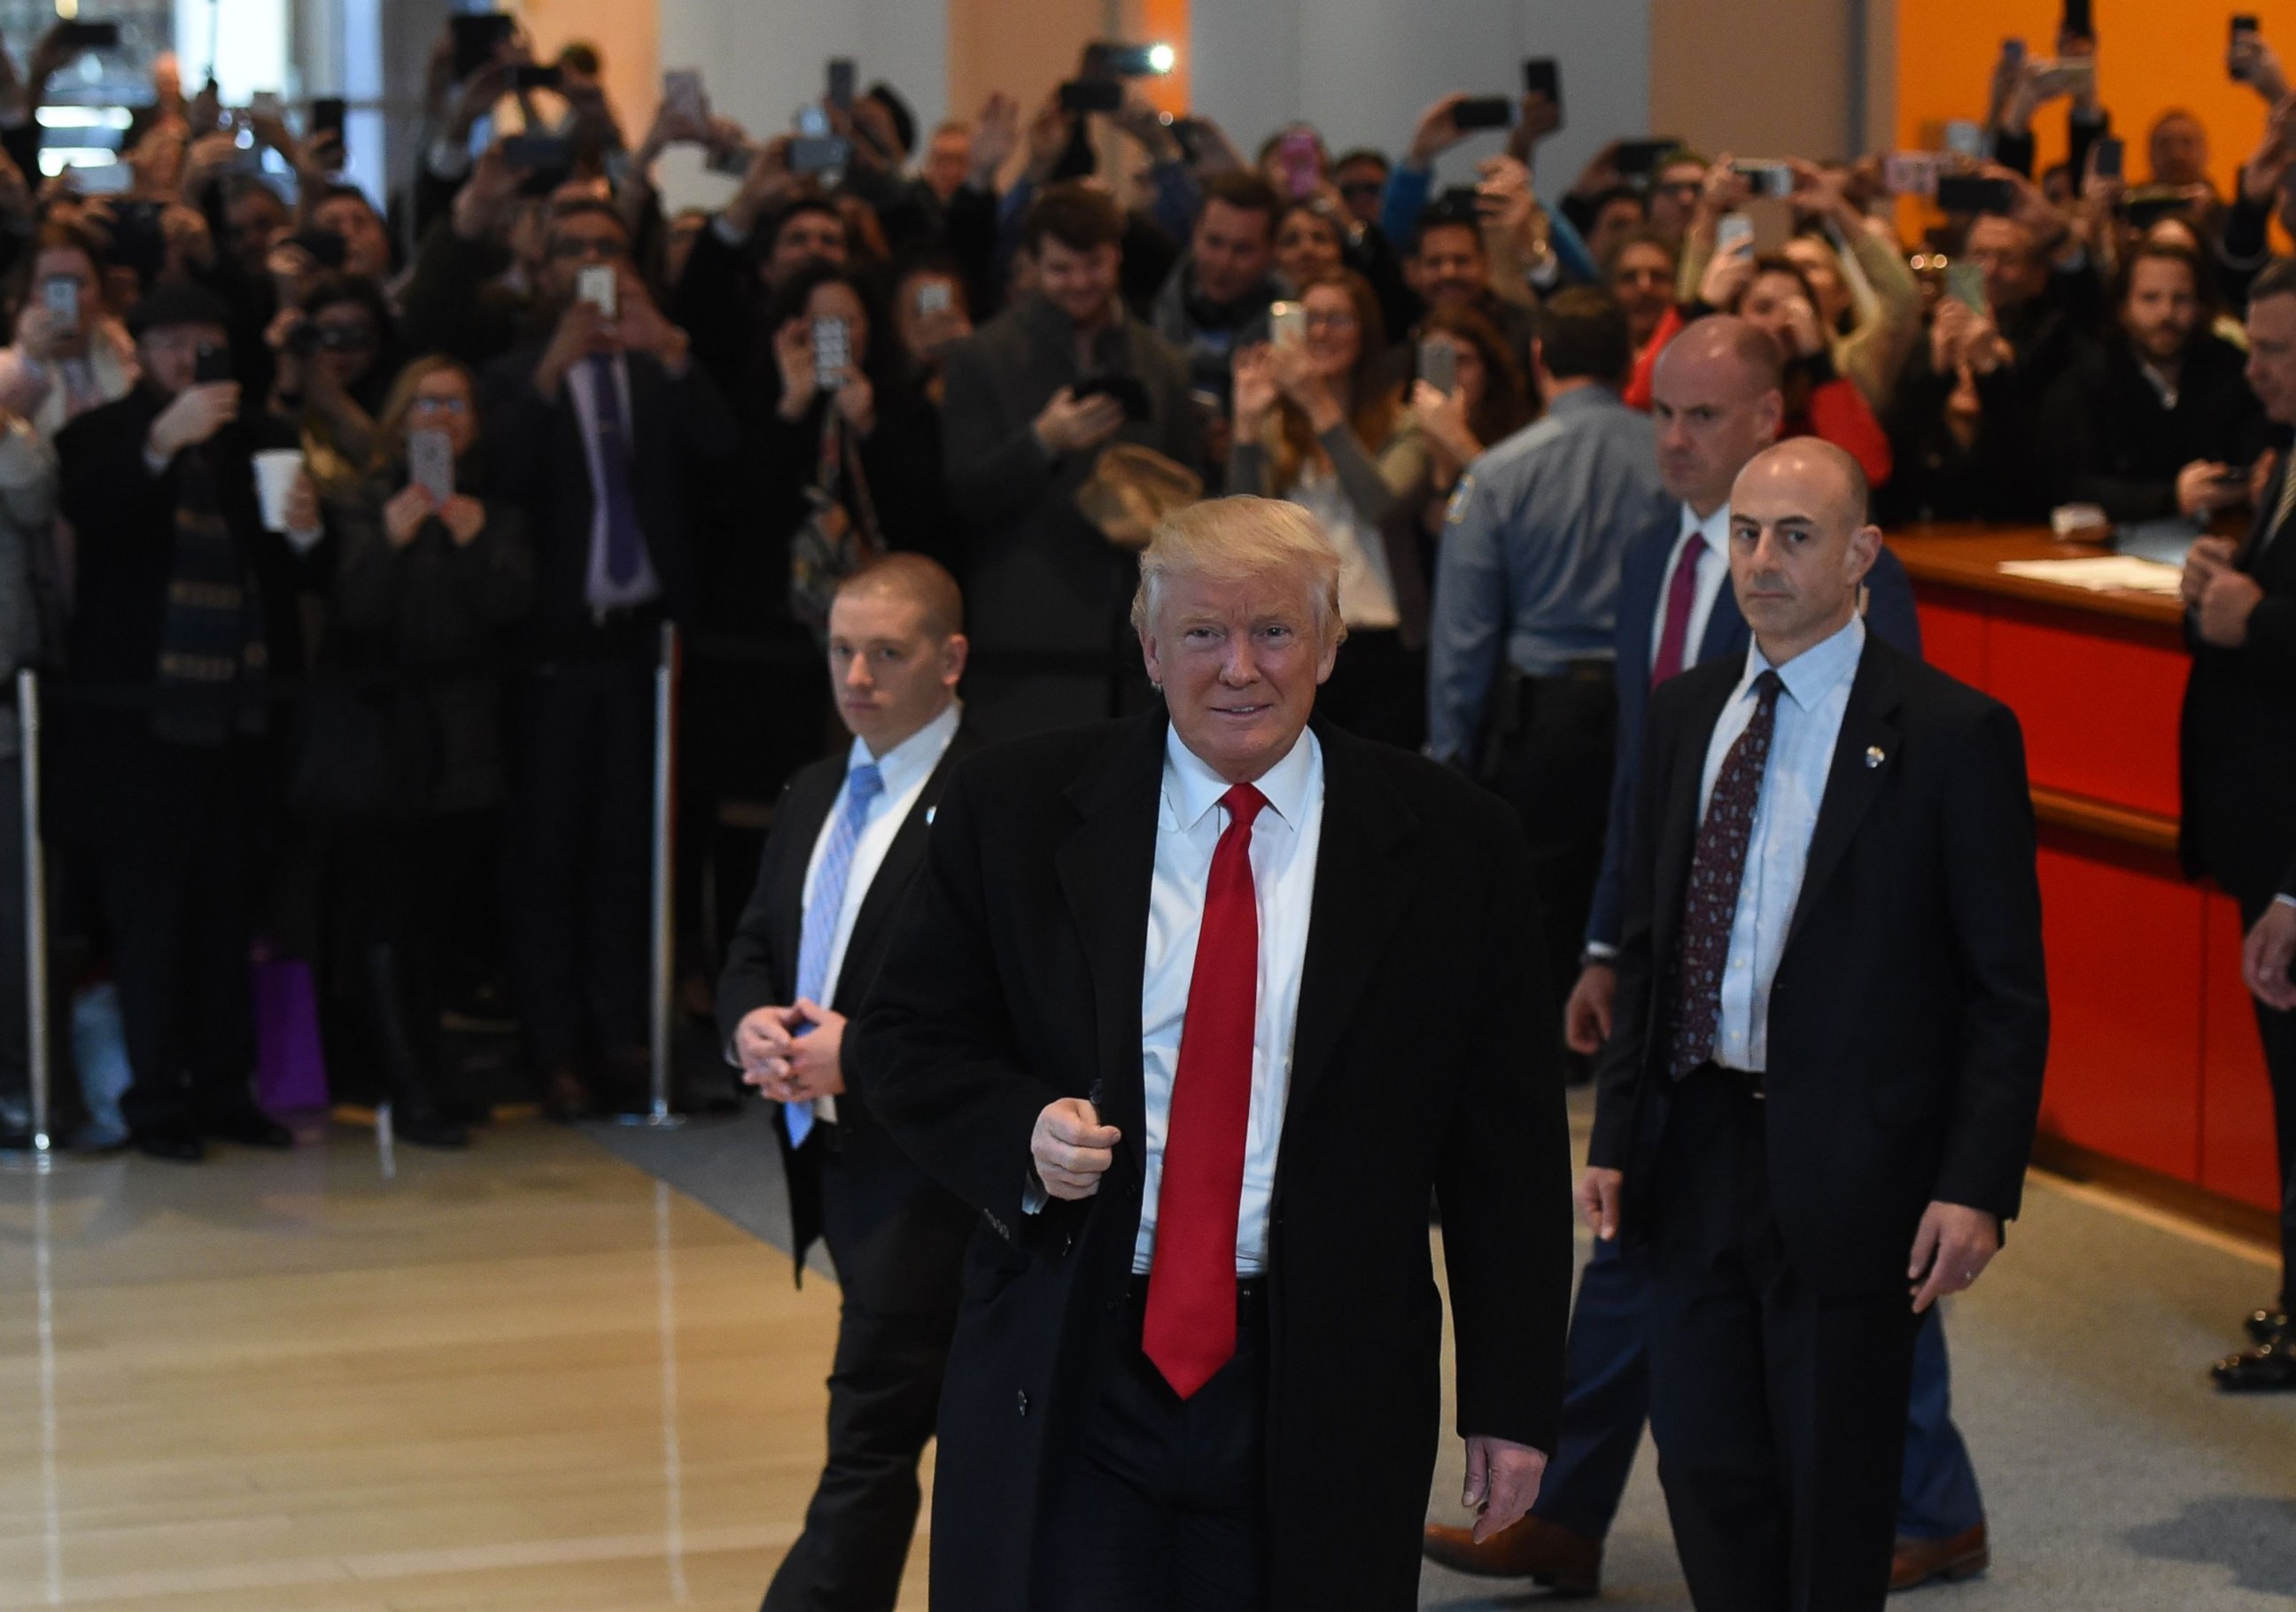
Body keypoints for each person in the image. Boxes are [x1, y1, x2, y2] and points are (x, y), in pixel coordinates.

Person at [845, 495, 1572, 1612]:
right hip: (1078, 1353)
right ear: (1148, 646)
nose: (1240, 668)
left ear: (1331, 643)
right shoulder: (1016, 808)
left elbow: (1507, 1151)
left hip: (1322, 1369)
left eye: (1275, 631)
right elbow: (903, 1039)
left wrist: (1512, 1398)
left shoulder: (1454, 845)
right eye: (1203, 634)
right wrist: (1018, 1133)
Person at [1429, 319, 1990, 1598]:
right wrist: (1608, 960)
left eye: (1699, 417)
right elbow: (1656, 798)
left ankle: (1922, 1499)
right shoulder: (1657, 583)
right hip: (1692, 1069)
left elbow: (1945, 910)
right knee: (1706, 1415)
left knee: (1843, 1367)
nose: (1669, 440)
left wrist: (1965, 1169)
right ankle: (1575, 1504)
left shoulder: (1897, 657)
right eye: (1660, 415)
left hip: (1843, 1075)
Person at [1582, 437, 2048, 1610]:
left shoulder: (1950, 733)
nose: (1762, 562)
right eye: (1744, 534)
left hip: (1856, 1165)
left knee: (1833, 1485)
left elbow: (2006, 989)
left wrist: (1976, 1181)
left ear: (1862, 555)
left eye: (1795, 536)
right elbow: (1650, 942)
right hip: (1691, 1150)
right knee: (1705, 1468)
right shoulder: (1686, 713)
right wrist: (1613, 1136)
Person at [718, 555, 981, 1612]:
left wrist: (858, 1054)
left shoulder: (989, 804)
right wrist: (748, 1020)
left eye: (887, 651)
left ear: (951, 661)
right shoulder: (819, 786)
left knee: (869, 1439)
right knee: (885, 1435)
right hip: (836, 1160)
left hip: (936, 1180)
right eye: (840, 649)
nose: (857, 674)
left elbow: (1008, 1008)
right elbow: (754, 942)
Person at [480, 198, 738, 1119]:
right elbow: (494, 478)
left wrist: (668, 347)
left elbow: (726, 456)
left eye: (607, 248)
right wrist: (550, 378)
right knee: (550, 851)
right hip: (552, 650)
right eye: (573, 249)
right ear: (544, 270)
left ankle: (627, 1035)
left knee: (638, 851)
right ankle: (555, 1047)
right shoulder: (516, 372)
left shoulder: (657, 366)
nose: (593, 262)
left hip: (647, 648)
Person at [55, 278, 300, 1162]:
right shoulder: (103, 433)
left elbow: (290, 570)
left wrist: (305, 532)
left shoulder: (259, 439)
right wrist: (162, 442)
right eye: (170, 345)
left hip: (237, 721)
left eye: (205, 345)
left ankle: (228, 1088)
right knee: (149, 921)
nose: (187, 361)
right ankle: (156, 1098)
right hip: (137, 728)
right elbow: (95, 509)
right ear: (140, 353)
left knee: (229, 913)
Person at [1426, 287, 1670, 1041]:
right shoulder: (1670, 462)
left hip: (1541, 715)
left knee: (1535, 899)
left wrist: (1448, 751)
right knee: (1638, 877)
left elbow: (1462, 635)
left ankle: (1546, 1049)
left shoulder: (1498, 472)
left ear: (1538, 359)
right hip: (1654, 702)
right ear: (1629, 361)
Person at [324, 355, 531, 1148]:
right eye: (426, 404)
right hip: (385, 743)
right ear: (399, 417)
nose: (441, 418)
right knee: (388, 914)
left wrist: (476, 541)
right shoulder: (363, 501)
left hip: (468, 737)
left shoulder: (495, 509)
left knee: (442, 915)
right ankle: (404, 1080)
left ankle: (436, 1069)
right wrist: (388, 539)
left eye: (457, 403)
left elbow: (515, 607)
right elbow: (355, 613)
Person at [937, 182, 1201, 740]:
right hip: (1027, 645)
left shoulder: (1163, 363)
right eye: (1061, 269)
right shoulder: (979, 358)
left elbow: (1195, 499)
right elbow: (963, 496)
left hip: (1142, 642)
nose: (1081, 283)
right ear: (1030, 265)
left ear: (1117, 256)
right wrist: (1041, 441)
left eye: (1094, 265)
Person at [2180, 259, 2296, 1389]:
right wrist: (2217, 587)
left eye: (2277, 351)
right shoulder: (2281, 454)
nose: (2253, 367)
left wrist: (2256, 618)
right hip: (2261, 833)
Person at [1229, 271, 1428, 747]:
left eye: (1338, 319)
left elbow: (1380, 505)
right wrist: (1247, 426)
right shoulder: (1279, 426)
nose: (1319, 333)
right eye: (1310, 319)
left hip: (1381, 635)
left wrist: (1318, 405)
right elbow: (1240, 528)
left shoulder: (1406, 423)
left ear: (1366, 333)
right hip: (1293, 637)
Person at [2043, 239, 2270, 523]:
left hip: (2224, 533)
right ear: (2122, 308)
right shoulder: (2087, 379)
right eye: (2150, 298)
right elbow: (2071, 483)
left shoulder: (2235, 370)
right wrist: (2171, 497)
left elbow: (2258, 453)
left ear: (2202, 306)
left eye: (2181, 299)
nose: (2166, 314)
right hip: (2112, 545)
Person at [1149, 172, 1282, 415]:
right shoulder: (1148, 300)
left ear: (1271, 252)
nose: (1224, 263)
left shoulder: (1289, 331)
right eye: (1214, 242)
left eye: (1243, 249)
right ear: (1195, 233)